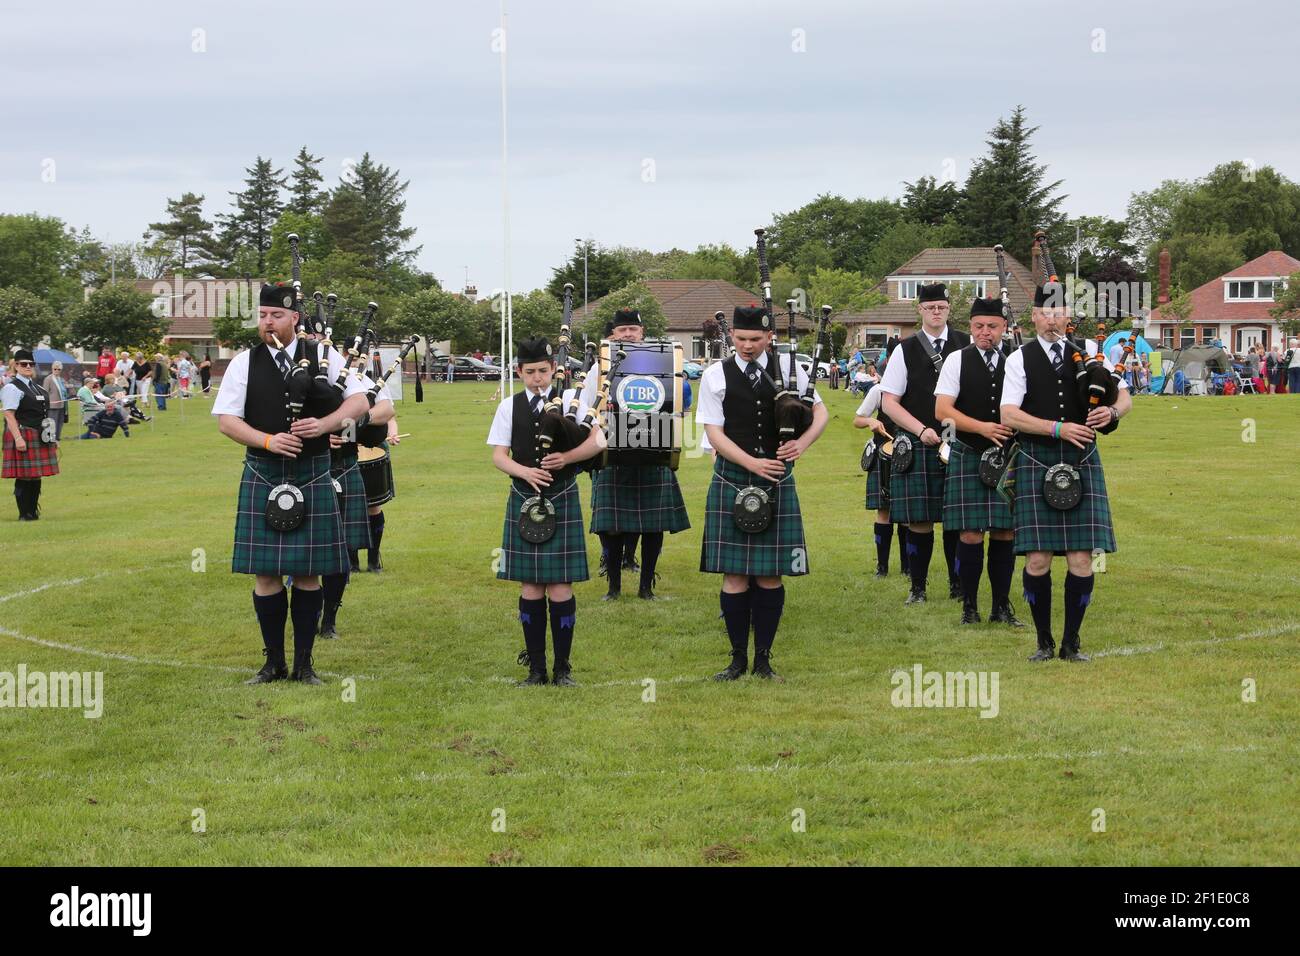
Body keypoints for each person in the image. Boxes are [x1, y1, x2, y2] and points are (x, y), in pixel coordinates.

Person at [212, 282, 371, 685]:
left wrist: (326, 423)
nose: (267, 322)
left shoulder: (324, 355)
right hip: (264, 472)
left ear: (294, 319)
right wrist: (267, 440)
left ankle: (304, 664)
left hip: (314, 470)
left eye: (276, 316)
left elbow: (360, 401)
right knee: (265, 573)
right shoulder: (243, 363)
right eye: (263, 315)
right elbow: (226, 421)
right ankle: (272, 663)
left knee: (308, 572)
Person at [1000, 282, 1132, 662]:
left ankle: (1071, 642)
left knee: (1080, 559)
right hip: (1038, 458)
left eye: (1059, 313)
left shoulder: (1089, 352)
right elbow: (1009, 414)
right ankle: (1043, 641)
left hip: (1082, 460)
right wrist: (1056, 428)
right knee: (1037, 559)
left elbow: (1123, 395)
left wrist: (1112, 412)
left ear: (1068, 317)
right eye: (1045, 313)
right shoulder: (1019, 359)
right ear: (1034, 317)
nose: (1052, 320)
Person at [696, 305, 828, 681]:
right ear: (731, 337)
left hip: (777, 481)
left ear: (770, 337)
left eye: (755, 340)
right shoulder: (715, 375)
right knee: (734, 575)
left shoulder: (790, 370)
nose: (747, 346)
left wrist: (801, 444)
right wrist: (752, 464)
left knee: (771, 575)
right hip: (732, 477)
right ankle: (737, 659)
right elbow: (714, 432)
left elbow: (820, 413)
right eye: (740, 339)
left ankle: (764, 660)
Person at [486, 336, 602, 686]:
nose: (538, 378)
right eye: (530, 372)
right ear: (519, 371)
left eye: (543, 371)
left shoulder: (572, 400)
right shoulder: (510, 406)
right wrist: (524, 471)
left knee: (561, 587)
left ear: (555, 369)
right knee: (531, 586)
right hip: (525, 498)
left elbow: (599, 441)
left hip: (563, 494)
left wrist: (566, 457)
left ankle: (562, 668)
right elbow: (498, 455)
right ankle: (536, 668)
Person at [578, 308, 691, 601]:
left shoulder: (663, 360)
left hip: (656, 446)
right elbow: (587, 409)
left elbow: (680, 397)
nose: (628, 334)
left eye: (633, 329)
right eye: (622, 330)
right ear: (612, 336)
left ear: (642, 332)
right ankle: (613, 588)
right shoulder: (599, 368)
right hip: (612, 450)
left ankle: (646, 588)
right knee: (611, 527)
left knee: (654, 527)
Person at [932, 297, 1024, 627]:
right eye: (979, 326)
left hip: (1007, 457)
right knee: (970, 533)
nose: (985, 332)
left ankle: (1001, 606)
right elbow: (942, 411)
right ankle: (969, 607)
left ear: (1003, 328)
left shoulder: (1016, 360)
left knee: (1004, 532)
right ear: (971, 327)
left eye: (993, 326)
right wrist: (982, 427)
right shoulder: (957, 360)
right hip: (969, 452)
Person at [879, 283, 970, 604]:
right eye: (930, 307)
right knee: (919, 521)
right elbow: (889, 402)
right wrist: (919, 430)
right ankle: (917, 588)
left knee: (957, 520)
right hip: (921, 441)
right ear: (919, 310)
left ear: (948, 309)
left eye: (941, 307)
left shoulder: (965, 343)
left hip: (960, 441)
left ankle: (958, 585)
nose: (936, 312)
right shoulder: (904, 349)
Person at [319, 341, 395, 639]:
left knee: (338, 552)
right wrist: (321, 434)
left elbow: (386, 409)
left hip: (346, 464)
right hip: (310, 467)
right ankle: (308, 614)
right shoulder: (309, 380)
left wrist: (351, 422)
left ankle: (329, 620)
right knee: (307, 554)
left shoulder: (361, 380)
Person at [853, 380, 908, 578]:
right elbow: (857, 419)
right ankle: (882, 567)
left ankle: (907, 566)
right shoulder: (879, 390)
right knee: (883, 512)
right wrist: (870, 422)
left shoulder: (917, 388)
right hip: (883, 455)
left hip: (911, 453)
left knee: (908, 513)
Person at [2, 349, 59, 520]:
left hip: (40, 434)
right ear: (16, 366)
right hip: (22, 432)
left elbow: (44, 415)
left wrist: (51, 437)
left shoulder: (37, 387)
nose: (28, 367)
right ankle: (24, 514)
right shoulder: (12, 388)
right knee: (24, 476)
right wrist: (18, 438)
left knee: (35, 475)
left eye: (31, 364)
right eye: (23, 364)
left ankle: (33, 512)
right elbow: (9, 414)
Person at [42, 362, 69, 444]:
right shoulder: (48, 379)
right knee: (52, 422)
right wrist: (46, 404)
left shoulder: (61, 379)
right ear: (52, 368)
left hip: (62, 404)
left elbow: (64, 390)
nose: (57, 370)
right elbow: (45, 392)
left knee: (60, 422)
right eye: (55, 369)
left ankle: (57, 437)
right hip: (52, 405)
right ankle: (51, 438)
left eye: (59, 369)